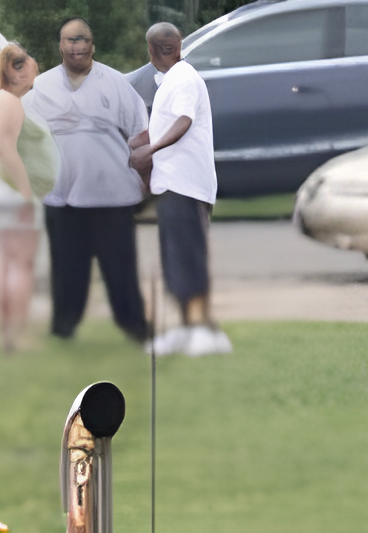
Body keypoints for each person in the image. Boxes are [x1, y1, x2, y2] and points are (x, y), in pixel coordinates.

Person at [31, 18, 148, 343]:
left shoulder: (115, 83)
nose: (76, 46)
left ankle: (135, 326)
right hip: (62, 198)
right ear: (61, 45)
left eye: (82, 39)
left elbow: (140, 133)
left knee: (121, 271)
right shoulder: (42, 87)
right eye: (69, 40)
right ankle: (64, 328)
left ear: (92, 45)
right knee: (67, 271)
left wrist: (146, 181)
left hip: (113, 197)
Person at [130, 21, 228, 355]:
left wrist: (150, 150)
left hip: (186, 184)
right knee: (175, 261)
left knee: (189, 259)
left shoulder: (184, 79)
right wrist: (133, 144)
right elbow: (158, 129)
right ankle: (186, 329)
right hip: (170, 185)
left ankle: (203, 331)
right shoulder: (171, 81)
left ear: (152, 51)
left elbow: (183, 122)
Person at [0, 44, 58, 354]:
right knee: (20, 266)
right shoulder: (9, 103)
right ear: (17, 70)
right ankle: (16, 334)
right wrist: (26, 194)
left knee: (4, 264)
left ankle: (6, 332)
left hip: (4, 192)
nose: (34, 77)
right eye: (32, 71)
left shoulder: (3, 100)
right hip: (14, 194)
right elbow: (6, 150)